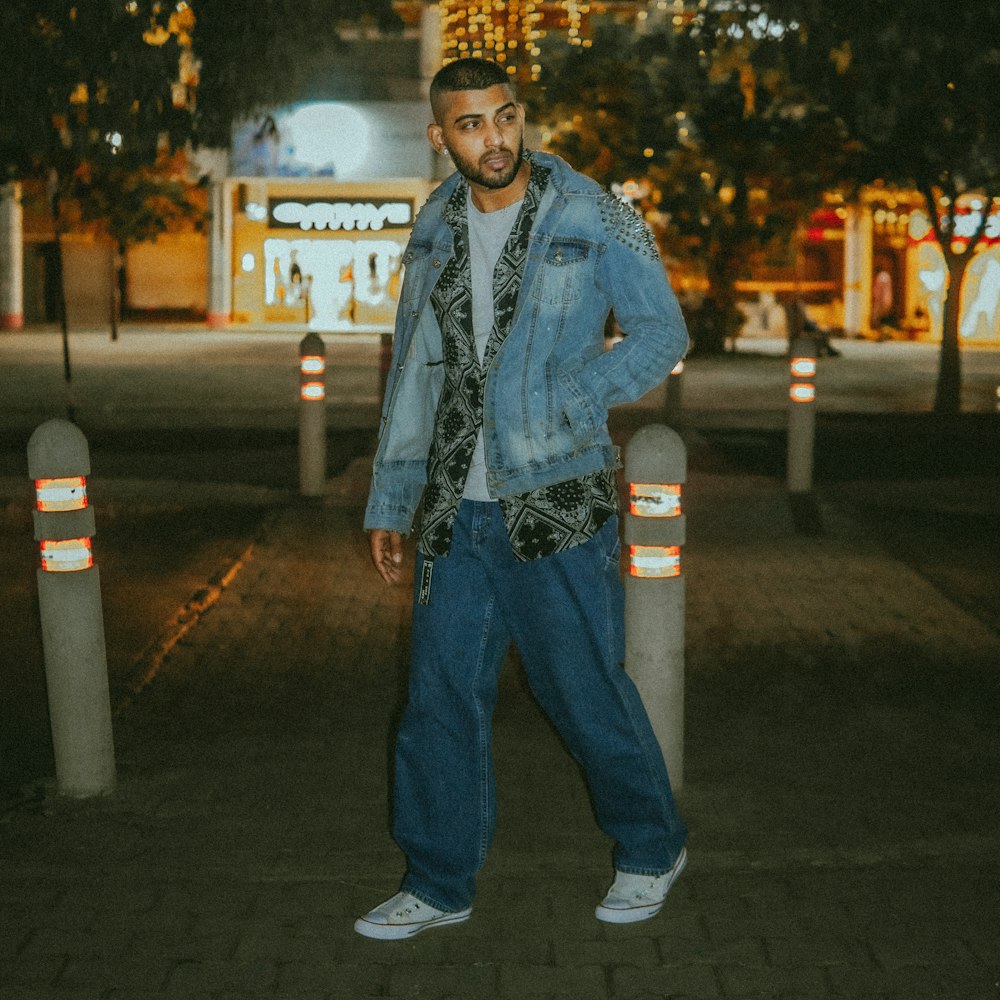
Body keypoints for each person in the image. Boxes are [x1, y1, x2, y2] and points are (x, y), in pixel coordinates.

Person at [357, 57, 689, 941]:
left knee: (581, 688)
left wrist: (576, 397)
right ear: (441, 137)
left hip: (555, 499)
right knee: (438, 698)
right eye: (471, 125)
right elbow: (414, 375)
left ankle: (651, 847)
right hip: (452, 511)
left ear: (521, 116)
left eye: (505, 117)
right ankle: (438, 880)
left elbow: (663, 331)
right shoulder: (432, 224)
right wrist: (390, 497)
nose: (494, 138)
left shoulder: (592, 212)